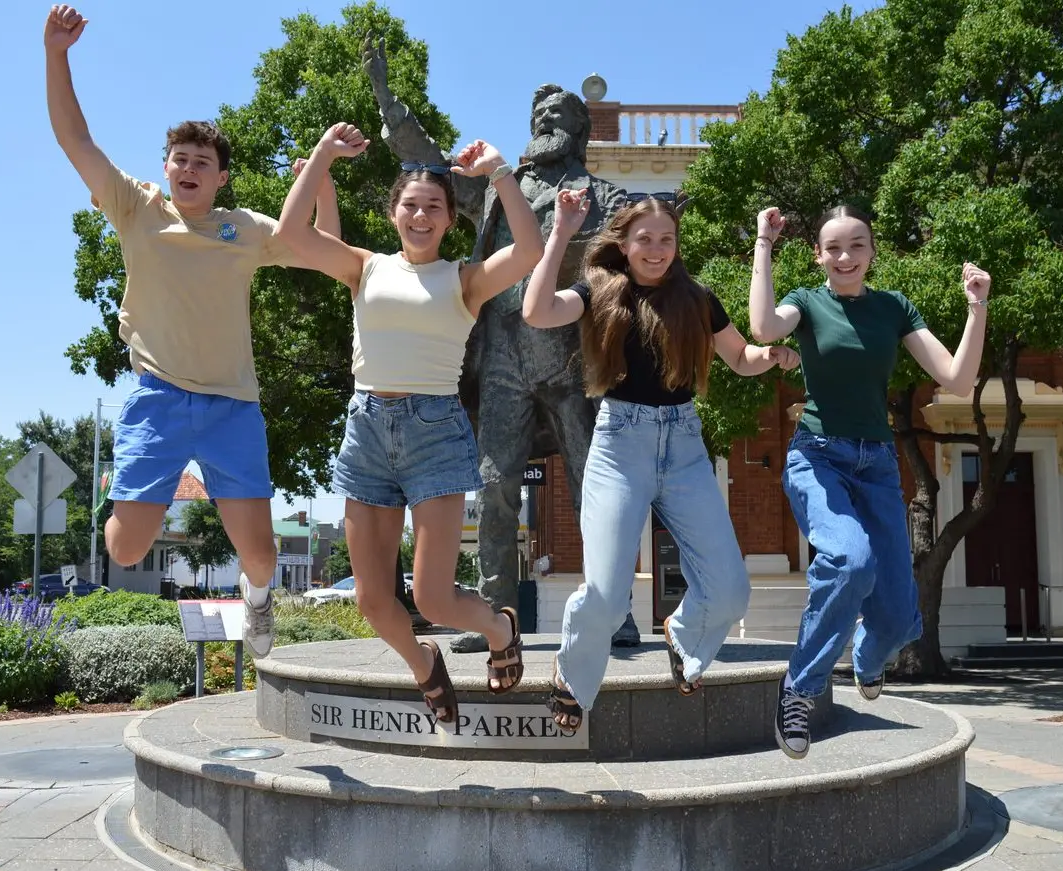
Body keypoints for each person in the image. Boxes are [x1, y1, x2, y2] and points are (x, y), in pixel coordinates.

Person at [43, 5, 340, 659]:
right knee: (124, 547)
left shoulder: (243, 229)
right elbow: (76, 142)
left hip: (232, 408)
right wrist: (57, 55)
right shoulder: (135, 206)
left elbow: (322, 247)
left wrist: (319, 183)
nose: (188, 167)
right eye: (179, 158)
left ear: (220, 176)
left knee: (259, 555)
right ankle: (117, 490)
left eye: (201, 161)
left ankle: (257, 601)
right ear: (167, 166)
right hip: (159, 401)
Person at [362, 43, 644, 649]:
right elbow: (429, 163)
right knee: (494, 485)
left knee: (595, 487)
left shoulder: (600, 196)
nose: (546, 123)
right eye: (538, 115)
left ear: (577, 132)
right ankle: (493, 610)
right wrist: (389, 103)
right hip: (503, 363)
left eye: (559, 116)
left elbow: (641, 238)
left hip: (570, 361)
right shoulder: (496, 187)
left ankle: (613, 608)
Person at [272, 124, 543, 724]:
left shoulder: (463, 281)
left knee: (434, 596)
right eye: (411, 205)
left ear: (449, 220)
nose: (421, 216)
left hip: (435, 432)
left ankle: (501, 626)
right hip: (367, 431)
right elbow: (293, 236)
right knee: (371, 599)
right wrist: (322, 158)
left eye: (434, 208)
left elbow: (528, 251)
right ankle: (424, 665)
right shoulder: (364, 268)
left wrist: (500, 172)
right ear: (394, 212)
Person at [521, 190, 800, 732]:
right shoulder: (601, 289)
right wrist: (561, 231)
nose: (656, 249)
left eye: (666, 239)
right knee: (604, 594)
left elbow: (740, 358)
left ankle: (683, 632)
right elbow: (537, 311)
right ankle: (572, 680)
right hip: (619, 445)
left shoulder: (696, 297)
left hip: (685, 446)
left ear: (676, 245)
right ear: (623, 244)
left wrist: (770, 356)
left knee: (730, 591)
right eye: (644, 239)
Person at [750, 204, 992, 760]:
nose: (844, 256)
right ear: (818, 255)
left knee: (899, 612)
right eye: (833, 246)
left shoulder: (894, 308)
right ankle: (800, 688)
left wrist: (976, 307)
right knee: (850, 560)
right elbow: (764, 327)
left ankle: (867, 651)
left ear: (872, 253)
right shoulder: (807, 302)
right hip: (818, 456)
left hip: (878, 463)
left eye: (857, 245)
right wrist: (764, 244)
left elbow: (956, 378)